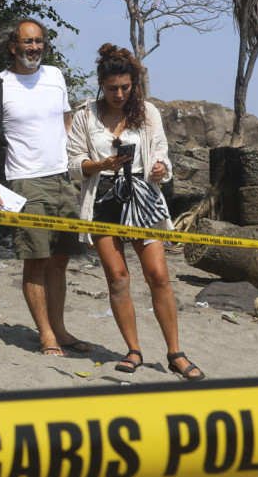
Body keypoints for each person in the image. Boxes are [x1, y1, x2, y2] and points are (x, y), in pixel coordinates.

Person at [66, 43, 204, 380]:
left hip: (143, 196)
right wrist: (101, 164)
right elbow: (71, 164)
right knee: (118, 279)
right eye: (112, 88)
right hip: (103, 199)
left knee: (158, 275)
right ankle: (133, 349)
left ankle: (176, 353)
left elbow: (162, 154)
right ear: (101, 83)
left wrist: (160, 169)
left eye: (125, 87)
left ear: (134, 84)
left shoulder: (148, 112)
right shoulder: (85, 114)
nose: (119, 93)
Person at [0, 18, 93, 357]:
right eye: (28, 42)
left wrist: (75, 162)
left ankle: (61, 330)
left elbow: (67, 119)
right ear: (13, 46)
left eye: (39, 41)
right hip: (25, 182)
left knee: (60, 260)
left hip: (62, 181)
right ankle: (46, 336)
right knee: (36, 260)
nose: (35, 48)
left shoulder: (55, 76)